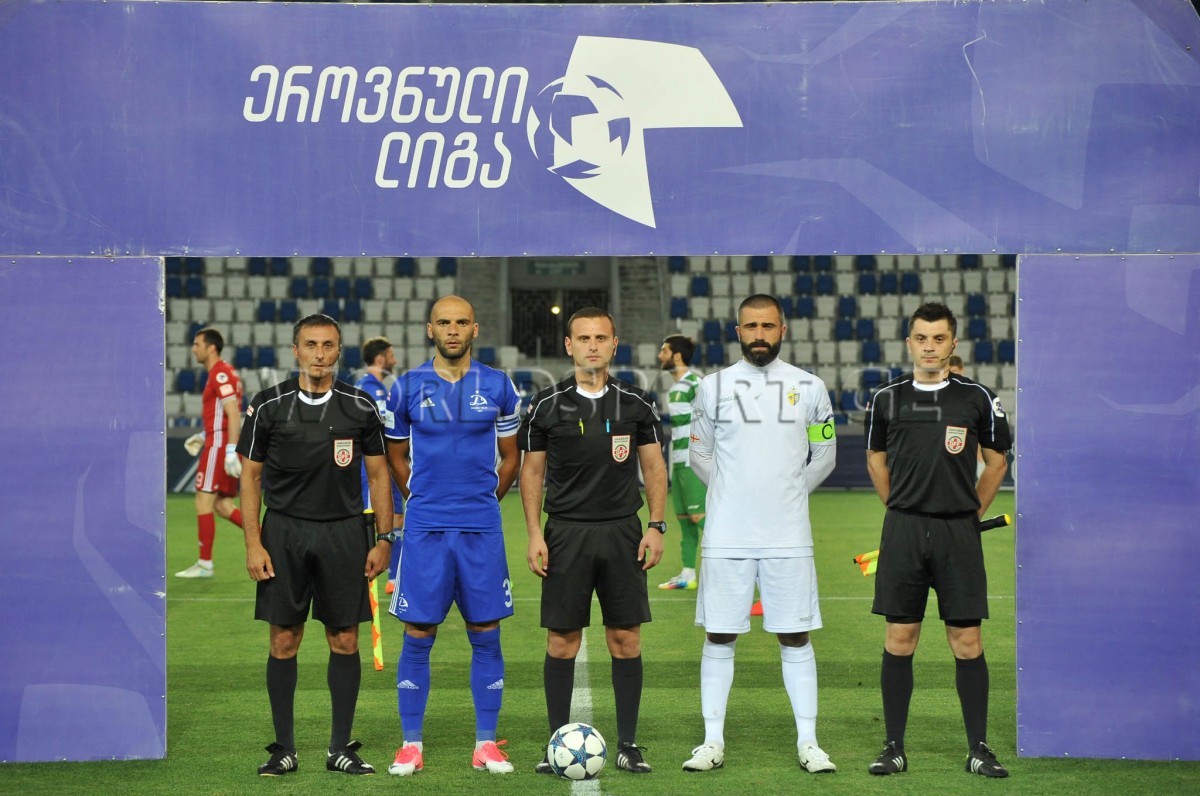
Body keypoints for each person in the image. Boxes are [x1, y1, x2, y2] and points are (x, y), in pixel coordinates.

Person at [681, 294, 838, 775]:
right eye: (751, 326)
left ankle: (809, 742)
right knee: (720, 634)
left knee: (795, 635)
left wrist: (786, 494)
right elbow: (698, 455)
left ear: (782, 330)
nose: (759, 335)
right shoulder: (712, 387)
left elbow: (825, 456)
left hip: (788, 535)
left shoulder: (810, 387)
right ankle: (711, 741)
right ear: (738, 331)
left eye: (768, 326)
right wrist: (731, 493)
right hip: (727, 533)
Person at [237, 313, 394, 777]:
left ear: (338, 351)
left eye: (328, 345)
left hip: (344, 533)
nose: (319, 354)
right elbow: (250, 477)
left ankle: (339, 748)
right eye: (311, 345)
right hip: (284, 533)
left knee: (344, 639)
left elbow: (379, 475)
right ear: (296, 351)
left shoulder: (360, 406)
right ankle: (283, 749)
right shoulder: (269, 405)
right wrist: (253, 543)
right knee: (284, 639)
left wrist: (384, 539)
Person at [864, 301, 1012, 778]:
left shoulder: (978, 398)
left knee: (967, 640)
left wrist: (971, 513)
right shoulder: (886, 398)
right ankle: (893, 747)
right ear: (909, 342)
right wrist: (898, 507)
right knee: (900, 637)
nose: (930, 347)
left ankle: (979, 748)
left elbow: (997, 462)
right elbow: (875, 460)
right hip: (904, 530)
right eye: (922, 338)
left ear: (953, 343)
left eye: (939, 338)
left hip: (957, 534)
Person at [519, 307, 667, 775]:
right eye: (583, 338)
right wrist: (535, 533)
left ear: (614, 344)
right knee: (562, 641)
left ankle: (628, 744)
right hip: (566, 532)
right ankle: (556, 743)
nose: (592, 346)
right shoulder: (545, 405)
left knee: (625, 639)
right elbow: (532, 473)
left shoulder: (636, 403)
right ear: (569, 345)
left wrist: (656, 525)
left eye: (601, 337)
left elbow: (654, 466)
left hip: (622, 530)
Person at [383, 296, 522, 777]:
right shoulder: (406, 387)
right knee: (418, 633)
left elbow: (511, 456)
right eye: (444, 322)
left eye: (462, 322)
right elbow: (395, 456)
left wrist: (485, 499)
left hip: (481, 527)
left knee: (486, 632)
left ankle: (486, 743)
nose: (453, 329)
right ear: (430, 330)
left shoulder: (499, 385)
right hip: (426, 528)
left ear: (475, 329)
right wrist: (422, 498)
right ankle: (411, 745)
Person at [178, 327, 244, 578]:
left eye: (197, 344)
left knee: (202, 501)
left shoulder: (219, 373)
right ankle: (269, 539)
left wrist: (229, 449)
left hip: (219, 446)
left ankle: (205, 564)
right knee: (223, 506)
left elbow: (233, 413)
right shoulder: (222, 373)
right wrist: (204, 434)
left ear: (211, 347)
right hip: (217, 441)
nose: (193, 349)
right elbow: (223, 414)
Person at [355, 337, 405, 594]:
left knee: (396, 516)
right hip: (370, 467)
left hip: (387, 465)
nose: (394, 360)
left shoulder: (380, 388)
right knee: (370, 518)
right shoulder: (367, 389)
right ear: (380, 359)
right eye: (391, 354)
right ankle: (363, 574)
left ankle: (395, 578)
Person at [656, 335, 705, 591]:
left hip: (693, 461)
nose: (659, 356)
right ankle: (688, 575)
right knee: (685, 519)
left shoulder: (696, 384)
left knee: (701, 517)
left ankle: (750, 572)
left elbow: (715, 419)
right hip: (678, 462)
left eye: (664, 351)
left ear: (676, 356)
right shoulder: (676, 388)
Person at [947, 355, 987, 482]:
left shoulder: (973, 394)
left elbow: (980, 424)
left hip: (968, 446)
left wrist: (979, 449)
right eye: (949, 372)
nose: (952, 375)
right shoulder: (941, 395)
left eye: (955, 371)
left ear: (962, 370)